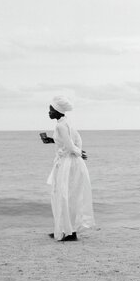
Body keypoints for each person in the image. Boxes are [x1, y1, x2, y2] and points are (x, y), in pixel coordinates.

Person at [43, 96, 95, 242]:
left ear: (58, 111)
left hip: (66, 164)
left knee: (63, 196)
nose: (49, 112)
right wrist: (53, 141)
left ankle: (69, 232)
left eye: (51, 110)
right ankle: (65, 229)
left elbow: (71, 145)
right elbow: (76, 140)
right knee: (69, 196)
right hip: (72, 162)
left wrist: (78, 152)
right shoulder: (66, 122)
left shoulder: (60, 125)